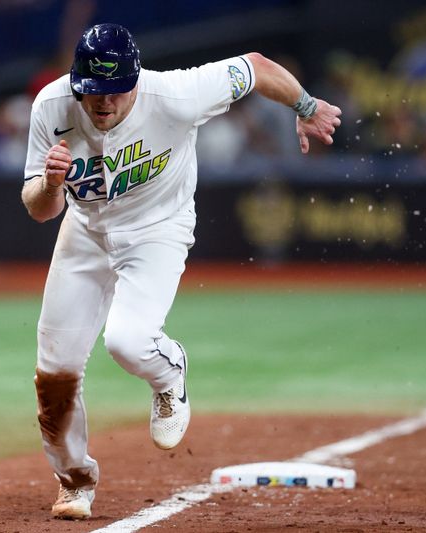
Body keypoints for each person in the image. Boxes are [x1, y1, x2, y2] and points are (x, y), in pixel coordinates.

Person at [21, 23, 341, 520]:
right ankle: (74, 480)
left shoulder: (174, 94)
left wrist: (306, 106)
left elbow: (254, 67)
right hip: (83, 232)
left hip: (157, 230)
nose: (102, 103)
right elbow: (40, 210)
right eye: (92, 92)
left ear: (135, 78)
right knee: (54, 373)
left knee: (126, 342)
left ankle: (170, 374)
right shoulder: (51, 106)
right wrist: (51, 185)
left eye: (114, 90)